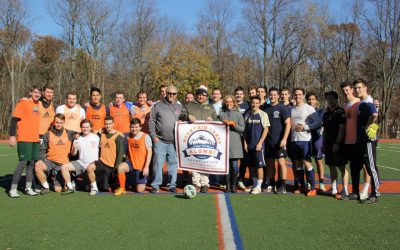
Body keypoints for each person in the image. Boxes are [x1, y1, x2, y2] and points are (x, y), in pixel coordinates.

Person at [180, 87, 218, 193]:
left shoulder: (210, 107)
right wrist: (188, 116)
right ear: (196, 96)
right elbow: (181, 115)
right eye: (199, 95)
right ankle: (196, 183)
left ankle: (205, 183)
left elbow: (217, 119)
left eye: (203, 95)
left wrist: (212, 119)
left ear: (206, 96)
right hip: (193, 138)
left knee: (206, 160)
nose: (201, 97)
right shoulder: (189, 106)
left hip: (208, 138)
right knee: (196, 159)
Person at [8, 85, 42, 198]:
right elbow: (14, 119)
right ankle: (13, 189)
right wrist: (12, 135)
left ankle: (28, 188)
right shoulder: (23, 103)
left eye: (39, 93)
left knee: (31, 163)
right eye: (35, 92)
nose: (37, 94)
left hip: (34, 139)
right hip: (24, 138)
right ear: (30, 92)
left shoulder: (37, 104)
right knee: (23, 162)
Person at [340, 81, 371, 200]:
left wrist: (370, 134)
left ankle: (366, 189)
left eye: (347, 90)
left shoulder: (359, 103)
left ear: (352, 89)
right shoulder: (345, 105)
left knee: (365, 166)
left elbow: (372, 117)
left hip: (360, 140)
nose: (345, 92)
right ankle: (355, 192)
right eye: (343, 91)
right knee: (354, 167)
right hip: (349, 141)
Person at [149, 85, 182, 193]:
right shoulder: (157, 106)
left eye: (174, 94)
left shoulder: (180, 107)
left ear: (176, 94)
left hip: (174, 142)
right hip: (160, 140)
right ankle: (156, 185)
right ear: (166, 93)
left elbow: (185, 121)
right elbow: (151, 121)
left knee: (173, 163)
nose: (171, 95)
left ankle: (172, 185)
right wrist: (153, 136)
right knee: (158, 163)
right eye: (169, 93)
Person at [290, 87, 322, 196]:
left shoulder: (308, 108)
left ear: (303, 96)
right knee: (298, 164)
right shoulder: (291, 109)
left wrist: (305, 127)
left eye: (299, 94)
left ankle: (312, 188)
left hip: (305, 140)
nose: (297, 96)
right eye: (295, 94)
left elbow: (318, 122)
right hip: (294, 139)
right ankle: (301, 186)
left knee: (307, 163)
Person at [353, 79, 380, 204]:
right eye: (356, 88)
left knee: (371, 167)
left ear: (365, 88)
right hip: (362, 140)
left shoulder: (367, 102)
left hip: (368, 139)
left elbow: (374, 115)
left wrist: (367, 126)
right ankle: (363, 192)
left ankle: (375, 194)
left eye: (359, 88)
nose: (357, 90)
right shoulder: (362, 102)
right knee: (367, 166)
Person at [35, 114, 76, 194]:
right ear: (54, 122)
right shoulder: (47, 134)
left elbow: (81, 135)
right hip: (50, 161)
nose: (59, 124)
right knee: (37, 167)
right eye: (57, 122)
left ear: (64, 122)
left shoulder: (69, 133)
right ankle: (45, 187)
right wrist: (40, 159)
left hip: (62, 165)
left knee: (58, 190)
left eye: (61, 123)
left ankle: (58, 183)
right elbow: (42, 148)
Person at [86, 116, 125, 195]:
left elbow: (120, 155)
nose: (108, 126)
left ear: (113, 124)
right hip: (102, 163)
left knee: (106, 189)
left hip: (111, 167)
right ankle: (94, 188)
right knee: (90, 168)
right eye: (106, 124)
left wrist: (115, 169)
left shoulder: (118, 137)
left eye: (110, 124)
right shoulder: (102, 134)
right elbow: (89, 131)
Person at [60, 119, 100, 194]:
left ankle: (94, 188)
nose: (85, 129)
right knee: (63, 167)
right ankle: (70, 187)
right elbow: (73, 154)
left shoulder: (96, 137)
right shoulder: (77, 139)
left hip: (93, 163)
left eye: (87, 127)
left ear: (91, 128)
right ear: (81, 128)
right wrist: (74, 148)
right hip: (81, 163)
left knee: (87, 186)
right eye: (83, 127)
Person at [263, 87, 291, 194]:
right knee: (270, 163)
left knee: (281, 162)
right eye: (271, 95)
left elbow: (288, 123)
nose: (273, 96)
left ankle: (282, 185)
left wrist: (284, 139)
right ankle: (271, 183)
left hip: (280, 141)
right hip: (269, 142)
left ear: (278, 96)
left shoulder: (282, 108)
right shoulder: (266, 108)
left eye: (275, 95)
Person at [114, 118, 152, 195]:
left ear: (140, 127)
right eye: (132, 127)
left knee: (140, 190)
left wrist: (146, 167)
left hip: (141, 165)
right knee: (120, 167)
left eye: (136, 127)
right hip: (131, 163)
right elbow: (118, 134)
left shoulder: (145, 136)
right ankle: (122, 189)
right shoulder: (128, 136)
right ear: (130, 127)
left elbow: (150, 152)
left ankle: (139, 180)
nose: (134, 129)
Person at [322, 91, 349, 199]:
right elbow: (324, 130)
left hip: (338, 144)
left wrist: (337, 142)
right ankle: (334, 187)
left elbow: (342, 128)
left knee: (341, 167)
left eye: (332, 98)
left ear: (336, 99)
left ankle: (345, 189)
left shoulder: (340, 112)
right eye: (328, 99)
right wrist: (323, 143)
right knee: (331, 166)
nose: (330, 101)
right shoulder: (326, 114)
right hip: (328, 144)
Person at [218, 95, 245, 193]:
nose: (229, 103)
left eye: (231, 102)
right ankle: (227, 186)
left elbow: (242, 129)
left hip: (235, 143)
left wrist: (234, 125)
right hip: (223, 143)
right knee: (226, 167)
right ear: (224, 103)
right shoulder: (221, 114)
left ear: (233, 103)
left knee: (234, 166)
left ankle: (233, 185)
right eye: (227, 102)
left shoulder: (238, 114)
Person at [244, 96, 270, 194]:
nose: (254, 104)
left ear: (259, 104)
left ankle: (259, 186)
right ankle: (254, 185)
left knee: (259, 166)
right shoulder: (247, 115)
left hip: (258, 146)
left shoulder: (263, 114)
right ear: (250, 103)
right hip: (249, 145)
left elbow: (266, 129)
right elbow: (245, 131)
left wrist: (260, 143)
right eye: (252, 103)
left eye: (256, 103)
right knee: (251, 166)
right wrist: (245, 142)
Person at [306, 91, 325, 191]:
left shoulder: (320, 111)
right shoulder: (304, 110)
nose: (311, 101)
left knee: (319, 161)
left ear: (316, 101)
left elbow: (320, 124)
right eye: (309, 99)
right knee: (307, 162)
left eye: (313, 99)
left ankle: (321, 183)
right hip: (306, 139)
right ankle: (309, 182)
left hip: (317, 139)